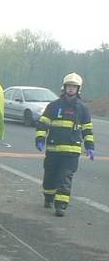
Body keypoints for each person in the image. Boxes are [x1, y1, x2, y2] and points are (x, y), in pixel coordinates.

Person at [35, 72, 95, 217]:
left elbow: (87, 129)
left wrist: (90, 147)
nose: (71, 89)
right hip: (53, 150)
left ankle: (61, 205)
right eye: (69, 86)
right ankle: (48, 197)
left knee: (65, 177)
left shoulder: (83, 108)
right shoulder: (54, 106)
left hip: (72, 152)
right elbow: (43, 124)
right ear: (64, 87)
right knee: (50, 175)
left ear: (78, 89)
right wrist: (40, 139)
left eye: (74, 87)